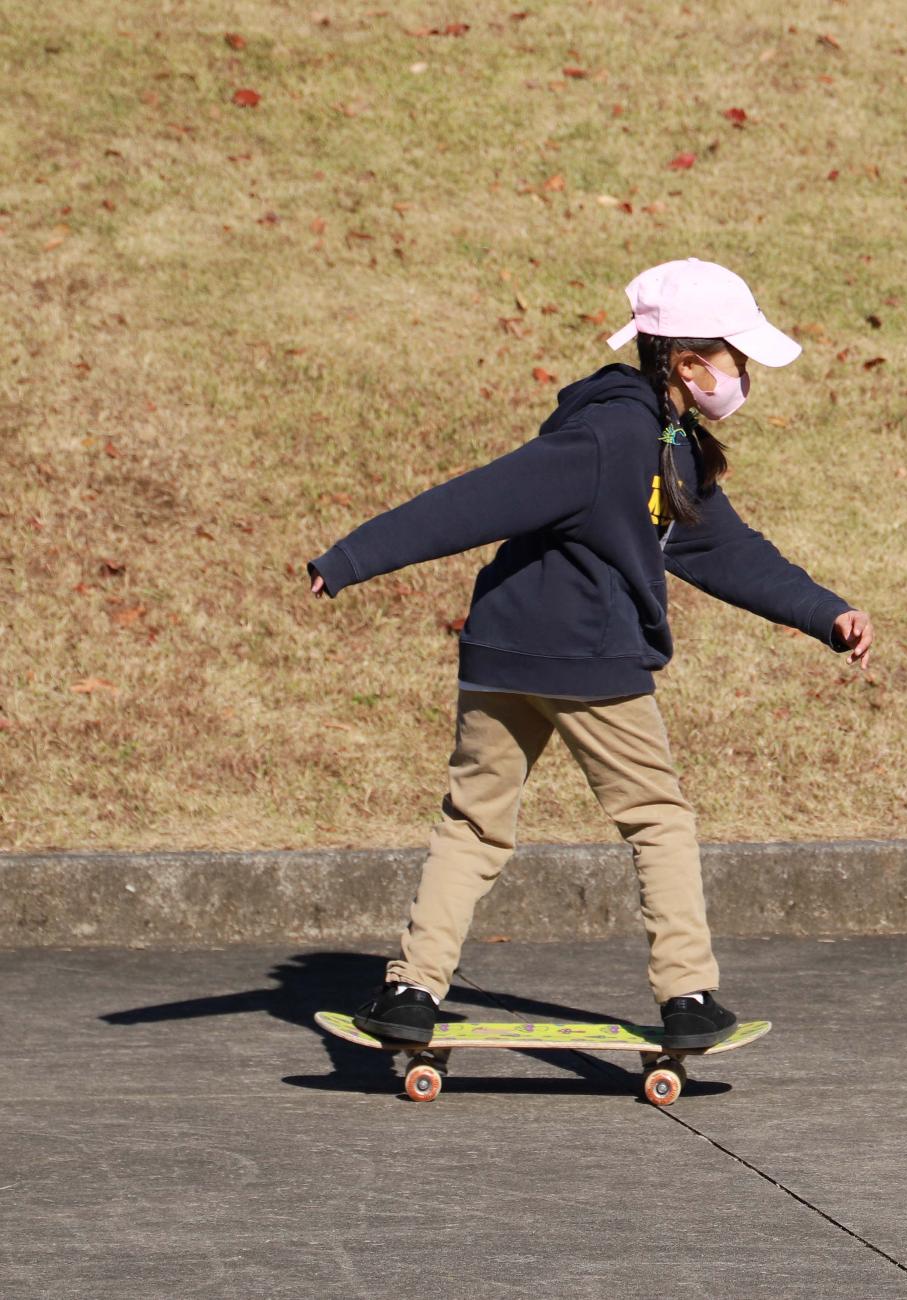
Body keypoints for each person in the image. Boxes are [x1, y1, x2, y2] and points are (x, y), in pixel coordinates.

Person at [307, 258, 873, 1047]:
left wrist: (826, 613)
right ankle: (688, 999)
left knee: (473, 825)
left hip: (501, 654)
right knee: (658, 819)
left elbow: (724, 550)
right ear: (686, 363)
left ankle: (410, 991)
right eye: (735, 358)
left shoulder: (667, 437)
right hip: (586, 660)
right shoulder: (610, 435)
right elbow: (474, 500)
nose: (743, 374)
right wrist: (352, 558)